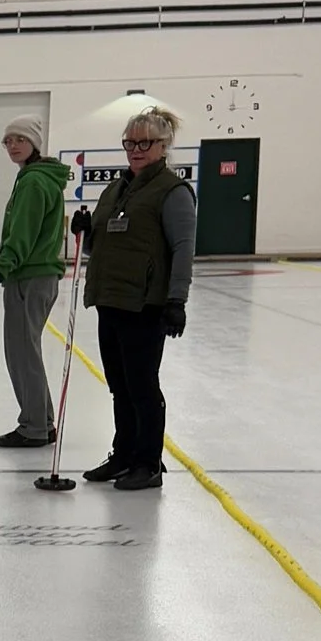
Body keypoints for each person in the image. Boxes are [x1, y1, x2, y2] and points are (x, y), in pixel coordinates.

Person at [79, 108, 194, 489]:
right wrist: (85, 231)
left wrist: (176, 301)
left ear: (163, 146)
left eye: (145, 143)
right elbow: (101, 244)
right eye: (130, 142)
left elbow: (182, 248)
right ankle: (124, 454)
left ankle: (148, 462)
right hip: (111, 298)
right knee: (119, 385)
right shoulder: (116, 188)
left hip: (145, 303)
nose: (136, 150)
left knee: (142, 385)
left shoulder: (172, 192)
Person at [0, 128, 74, 447]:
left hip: (30, 277)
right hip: (35, 275)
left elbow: (21, 233)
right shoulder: (35, 178)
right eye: (7, 141)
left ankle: (35, 427)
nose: (12, 146)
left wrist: (0, 273)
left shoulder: (34, 182)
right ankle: (41, 420)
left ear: (34, 142)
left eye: (19, 139)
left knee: (22, 353)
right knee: (26, 350)